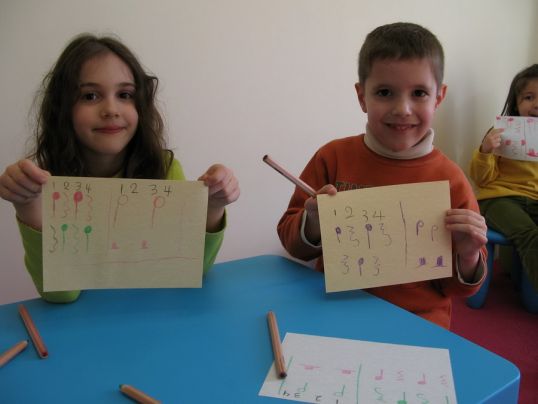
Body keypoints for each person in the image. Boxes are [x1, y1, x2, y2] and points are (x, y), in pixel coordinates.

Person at [277, 22, 487, 329]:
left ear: (438, 98)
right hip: (335, 313)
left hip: (418, 322)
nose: (402, 109)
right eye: (385, 92)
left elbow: (459, 288)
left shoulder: (451, 180)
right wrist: (313, 223)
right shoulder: (332, 158)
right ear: (362, 96)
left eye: (419, 93)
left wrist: (468, 255)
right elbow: (292, 244)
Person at [0, 34, 240, 303]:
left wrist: (213, 206)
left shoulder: (165, 170)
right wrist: (27, 205)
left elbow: (189, 270)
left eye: (125, 95)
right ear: (62, 109)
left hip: (157, 314)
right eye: (90, 96)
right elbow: (61, 294)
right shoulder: (47, 184)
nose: (111, 109)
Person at [469, 64, 538, 293]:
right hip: (500, 198)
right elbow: (482, 179)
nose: (536, 104)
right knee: (529, 235)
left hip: (534, 200)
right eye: (529, 97)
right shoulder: (502, 130)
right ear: (516, 102)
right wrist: (485, 150)